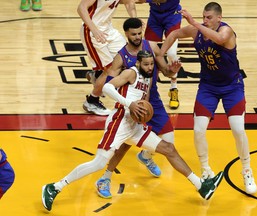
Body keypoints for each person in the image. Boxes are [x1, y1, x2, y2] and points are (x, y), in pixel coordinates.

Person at [42, 50, 224, 211]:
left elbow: (143, 101)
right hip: (119, 121)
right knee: (98, 163)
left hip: (135, 126)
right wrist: (130, 104)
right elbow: (107, 87)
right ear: (138, 63)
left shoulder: (148, 78)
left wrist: (143, 112)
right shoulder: (131, 72)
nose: (150, 66)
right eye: (146, 64)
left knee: (169, 148)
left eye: (152, 63)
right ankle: (54, 187)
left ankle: (201, 186)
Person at [159, 2, 257, 194]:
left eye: (209, 17)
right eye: (203, 17)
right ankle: (205, 170)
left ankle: (246, 170)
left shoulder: (226, 31)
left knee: (238, 129)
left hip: (232, 87)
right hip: (208, 87)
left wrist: (195, 23)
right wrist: (160, 56)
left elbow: (220, 40)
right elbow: (173, 34)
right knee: (198, 131)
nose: (205, 20)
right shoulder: (197, 30)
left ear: (219, 18)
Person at [95, 17, 177, 199]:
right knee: (123, 146)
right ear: (126, 34)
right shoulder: (121, 57)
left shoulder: (152, 47)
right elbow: (110, 84)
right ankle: (106, 177)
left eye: (140, 33)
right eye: (134, 34)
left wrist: (173, 70)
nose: (138, 37)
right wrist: (99, 85)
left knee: (169, 140)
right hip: (132, 105)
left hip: (152, 100)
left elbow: (166, 71)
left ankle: (146, 156)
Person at [78, 0, 137, 116]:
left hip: (108, 29)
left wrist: (135, 21)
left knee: (126, 57)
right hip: (92, 31)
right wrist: (94, 30)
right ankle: (92, 101)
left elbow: (129, 2)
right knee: (111, 69)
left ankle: (97, 77)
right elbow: (81, 8)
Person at [137, 0, 182, 109]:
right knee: (147, 53)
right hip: (155, 15)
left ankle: (173, 88)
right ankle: (147, 90)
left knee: (171, 53)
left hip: (172, 15)